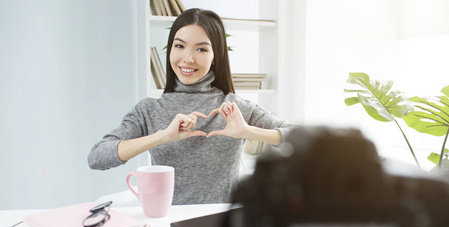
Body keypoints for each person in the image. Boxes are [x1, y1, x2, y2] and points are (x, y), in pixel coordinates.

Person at [88, 8, 295, 204]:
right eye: (179, 46)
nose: (188, 58)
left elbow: (298, 137)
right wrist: (164, 136)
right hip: (165, 225)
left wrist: (248, 131)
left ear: (216, 56)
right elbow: (97, 157)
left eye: (201, 49)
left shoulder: (234, 108)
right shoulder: (148, 110)